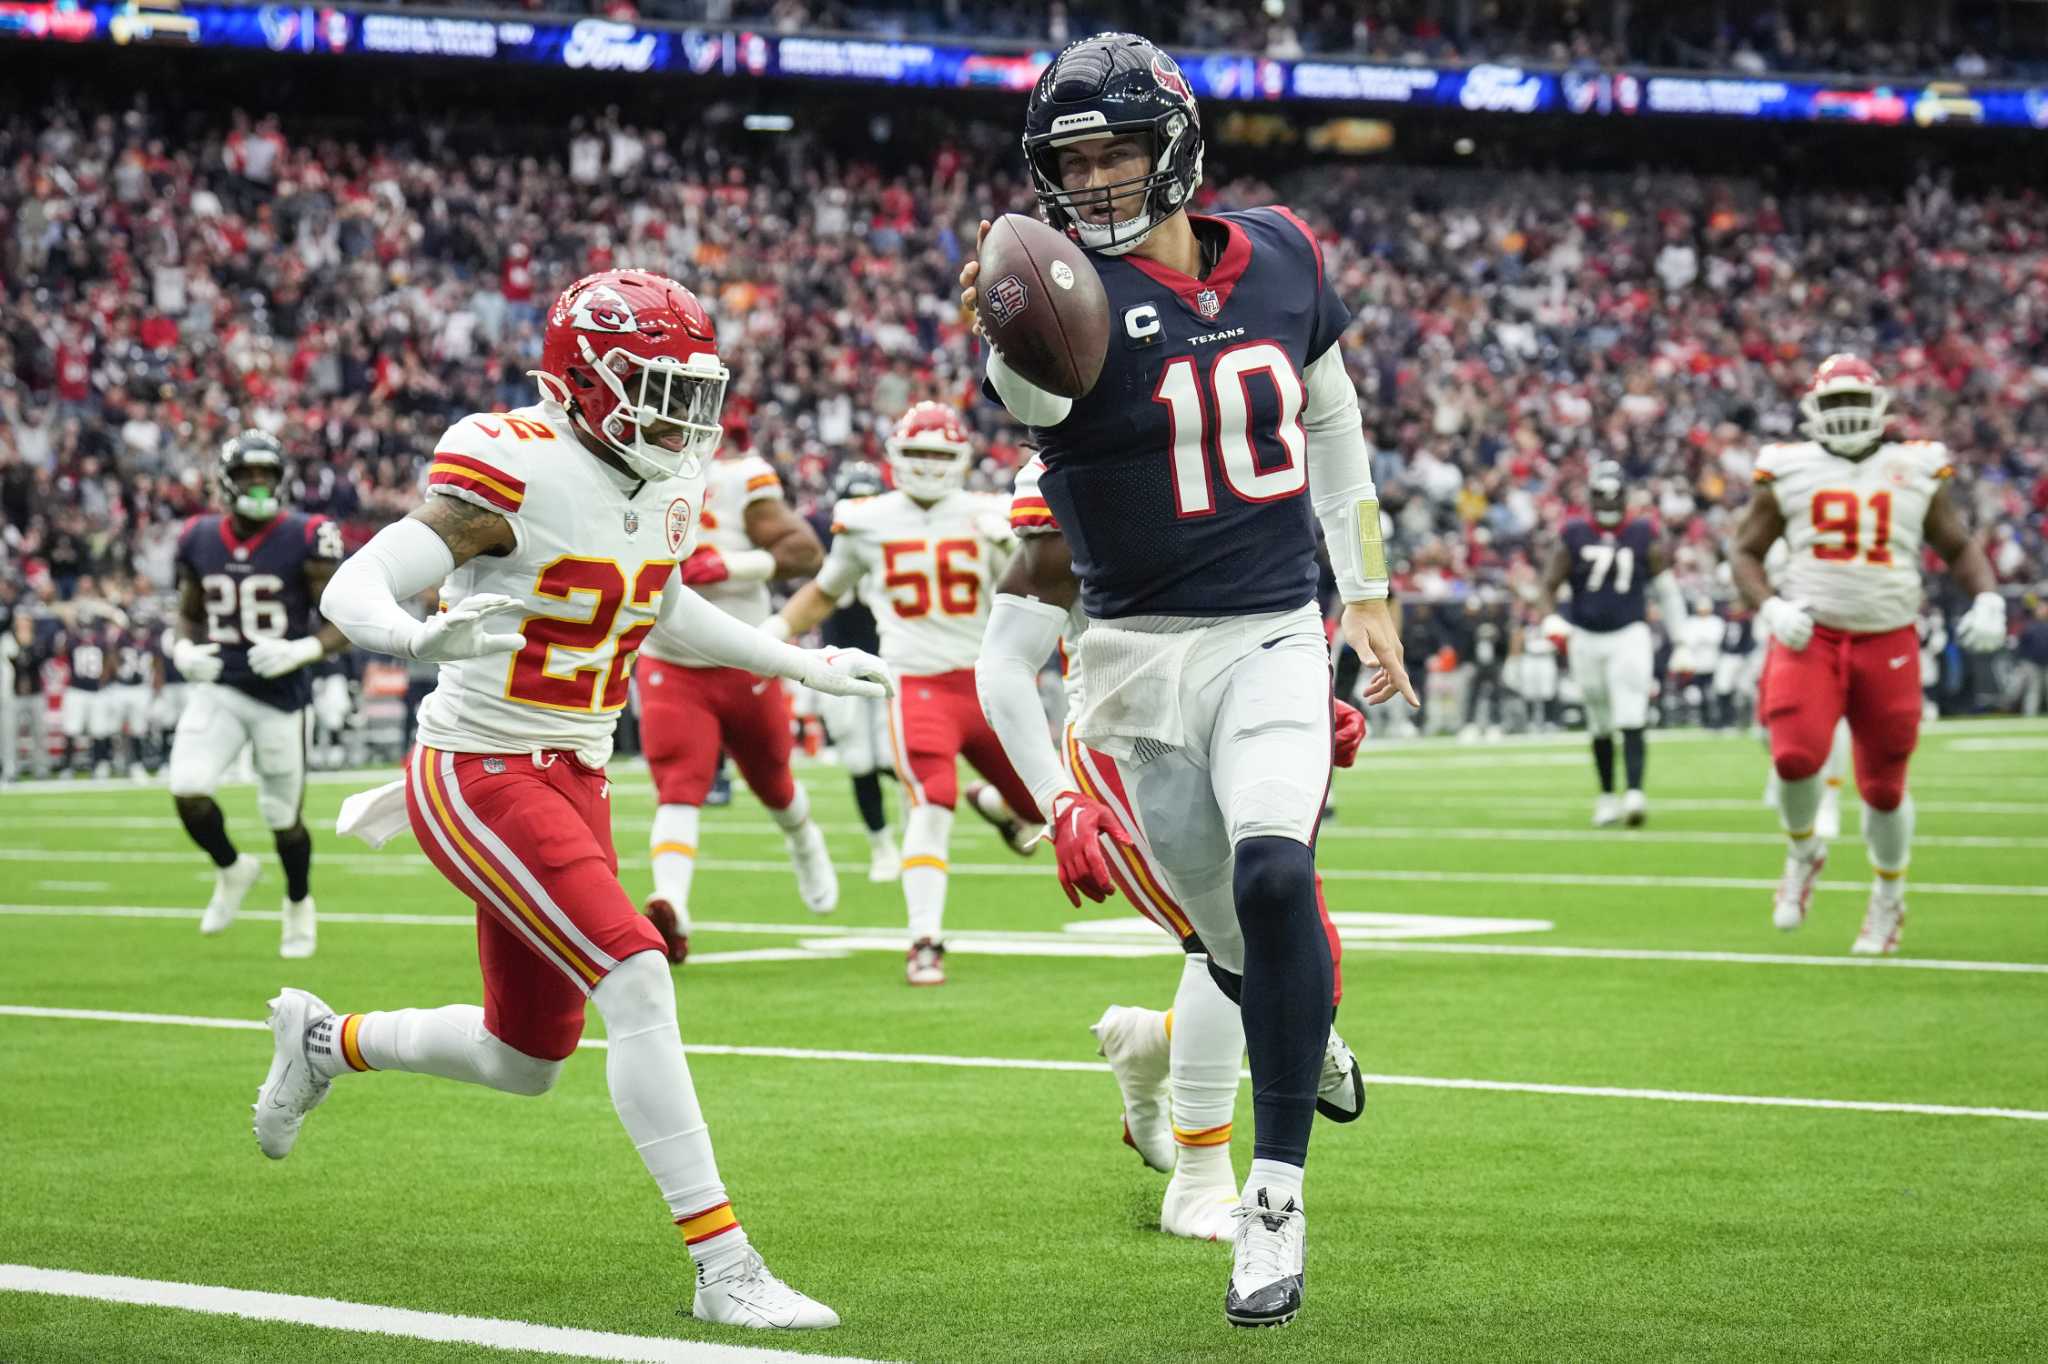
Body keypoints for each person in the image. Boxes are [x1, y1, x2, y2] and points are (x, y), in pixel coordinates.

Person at [266, 269, 888, 1330]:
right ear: (584, 380)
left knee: (526, 1058)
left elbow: (662, 604)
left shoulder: (662, 481)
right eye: (656, 384)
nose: (683, 412)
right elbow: (354, 585)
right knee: (637, 971)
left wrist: (794, 662)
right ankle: (723, 1264)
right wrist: (415, 635)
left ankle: (330, 1040)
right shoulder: (513, 460)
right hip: (482, 764)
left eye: (694, 388)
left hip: (576, 770)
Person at [959, 32, 1416, 1327]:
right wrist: (1009, 318)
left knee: (1280, 880)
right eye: (1071, 162)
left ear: (1173, 148)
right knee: (1230, 945)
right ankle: (1299, 1026)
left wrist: (1366, 582)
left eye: (1113, 153)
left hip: (1272, 628)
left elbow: (1331, 420)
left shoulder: (1281, 254)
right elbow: (1026, 389)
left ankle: (1271, 1201)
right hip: (1136, 665)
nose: (1094, 183)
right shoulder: (1059, 321)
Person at [991, 452, 1368, 1245]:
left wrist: (1297, 695)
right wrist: (1058, 800)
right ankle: (1199, 1181)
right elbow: (1004, 660)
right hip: (1133, 745)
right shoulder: (1083, 459)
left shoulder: (1236, 424)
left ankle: (1154, 1044)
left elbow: (1257, 605)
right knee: (1228, 949)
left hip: (1238, 718)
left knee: (1294, 939)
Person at [1730, 354, 2007, 954]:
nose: (1848, 414)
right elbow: (1744, 551)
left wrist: (1987, 597)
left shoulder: (1914, 465)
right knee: (1794, 757)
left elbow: (1957, 544)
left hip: (1889, 636)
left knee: (1884, 787)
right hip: (1814, 631)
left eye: (1857, 401)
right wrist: (1772, 607)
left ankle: (1888, 899)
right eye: (1835, 403)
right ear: (1812, 410)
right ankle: (1804, 851)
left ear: (1882, 407)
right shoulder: (1789, 469)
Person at [768, 401, 1039, 987]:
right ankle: (924, 939)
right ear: (893, 456)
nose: (926, 465)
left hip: (991, 680)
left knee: (1044, 808)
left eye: (937, 455)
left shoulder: (993, 512)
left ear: (962, 458)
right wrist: (771, 638)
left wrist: (1018, 552)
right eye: (915, 453)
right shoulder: (867, 521)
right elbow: (825, 591)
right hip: (916, 683)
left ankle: (996, 805)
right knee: (931, 798)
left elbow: (1047, 586)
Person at [635, 435, 834, 965]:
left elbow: (805, 552)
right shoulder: (613, 474)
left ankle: (802, 838)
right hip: (670, 660)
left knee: (774, 782)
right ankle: (671, 904)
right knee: (678, 782)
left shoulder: (739, 478)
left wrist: (732, 565)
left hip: (746, 653)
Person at [168, 431, 350, 959]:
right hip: (220, 685)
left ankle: (298, 902)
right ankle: (232, 868)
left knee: (280, 816)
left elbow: (342, 619)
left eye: (266, 475)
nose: (257, 484)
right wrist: (181, 648)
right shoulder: (198, 537)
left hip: (282, 696)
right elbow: (189, 609)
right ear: (227, 481)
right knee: (188, 788)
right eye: (248, 475)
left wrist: (304, 650)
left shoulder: (307, 534)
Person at [1538, 459, 1689, 826]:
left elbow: (1666, 590)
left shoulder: (1642, 532)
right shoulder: (1574, 532)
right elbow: (1549, 583)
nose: (1607, 502)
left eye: (1612, 495)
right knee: (1599, 719)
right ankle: (1607, 796)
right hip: (1585, 636)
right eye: (1600, 495)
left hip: (1629, 633)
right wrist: (1550, 618)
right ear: (1591, 496)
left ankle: (1634, 792)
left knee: (1631, 710)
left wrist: (1682, 640)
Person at [805, 459, 902, 882]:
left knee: (895, 757)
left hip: (890, 660)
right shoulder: (832, 544)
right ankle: (882, 845)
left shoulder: (895, 541)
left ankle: (916, 835)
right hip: (839, 664)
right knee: (861, 760)